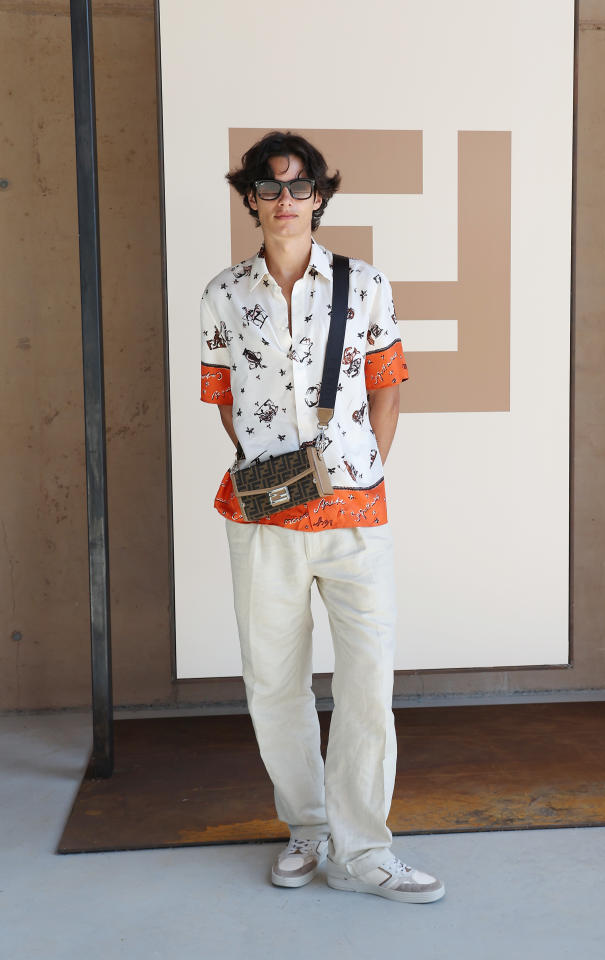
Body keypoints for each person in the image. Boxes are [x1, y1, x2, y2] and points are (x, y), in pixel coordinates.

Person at [200, 130, 445, 904]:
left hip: (355, 515)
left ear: (320, 197)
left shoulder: (364, 284)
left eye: (299, 187)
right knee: (273, 682)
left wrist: (354, 474)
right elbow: (226, 405)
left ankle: (366, 847)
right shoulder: (223, 294)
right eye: (269, 189)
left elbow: (389, 390)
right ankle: (307, 826)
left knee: (369, 681)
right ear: (250, 198)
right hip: (265, 517)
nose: (285, 202)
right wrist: (280, 476)